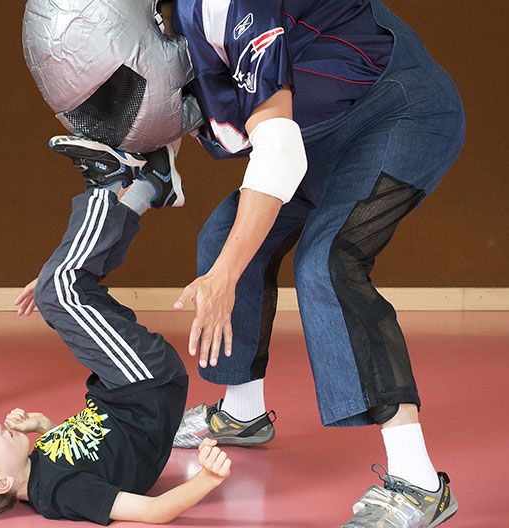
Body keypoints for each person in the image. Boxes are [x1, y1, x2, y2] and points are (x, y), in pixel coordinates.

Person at [158, 1, 461, 526]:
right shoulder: (165, 19)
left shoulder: (227, 4)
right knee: (224, 236)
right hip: (319, 136)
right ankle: (242, 412)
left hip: (398, 112)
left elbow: (277, 151)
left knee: (326, 262)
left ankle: (419, 483)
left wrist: (225, 276)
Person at [0, 149, 232, 523]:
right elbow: (153, 511)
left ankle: (151, 187)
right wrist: (207, 479)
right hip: (143, 388)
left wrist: (45, 426)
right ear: (1, 482)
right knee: (55, 291)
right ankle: (105, 186)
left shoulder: (39, 470)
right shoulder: (59, 493)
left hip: (129, 387)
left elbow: (93, 455)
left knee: (72, 287)